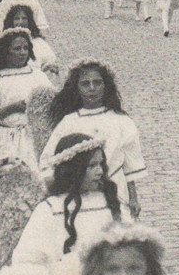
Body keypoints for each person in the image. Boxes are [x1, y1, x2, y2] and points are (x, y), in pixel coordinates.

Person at [43, 59, 146, 218]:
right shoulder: (68, 122)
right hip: (79, 194)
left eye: (97, 83)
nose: (92, 88)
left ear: (106, 86)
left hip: (116, 191)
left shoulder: (121, 121)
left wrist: (133, 198)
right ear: (77, 88)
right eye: (85, 84)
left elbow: (130, 166)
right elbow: (50, 160)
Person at [12, 134, 125, 268]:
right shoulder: (50, 209)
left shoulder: (109, 202)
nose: (100, 171)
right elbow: (27, 260)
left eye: (101, 164)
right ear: (73, 170)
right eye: (92, 165)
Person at [0, 28, 53, 177]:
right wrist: (12, 108)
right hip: (6, 139)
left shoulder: (37, 75)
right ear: (5, 52)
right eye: (17, 49)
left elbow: (50, 100)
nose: (23, 52)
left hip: (32, 137)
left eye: (25, 48)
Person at [2, 4, 59, 79]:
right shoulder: (4, 43)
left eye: (24, 18)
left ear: (29, 21)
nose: (20, 22)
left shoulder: (39, 43)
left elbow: (51, 62)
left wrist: (46, 68)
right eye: (16, 19)